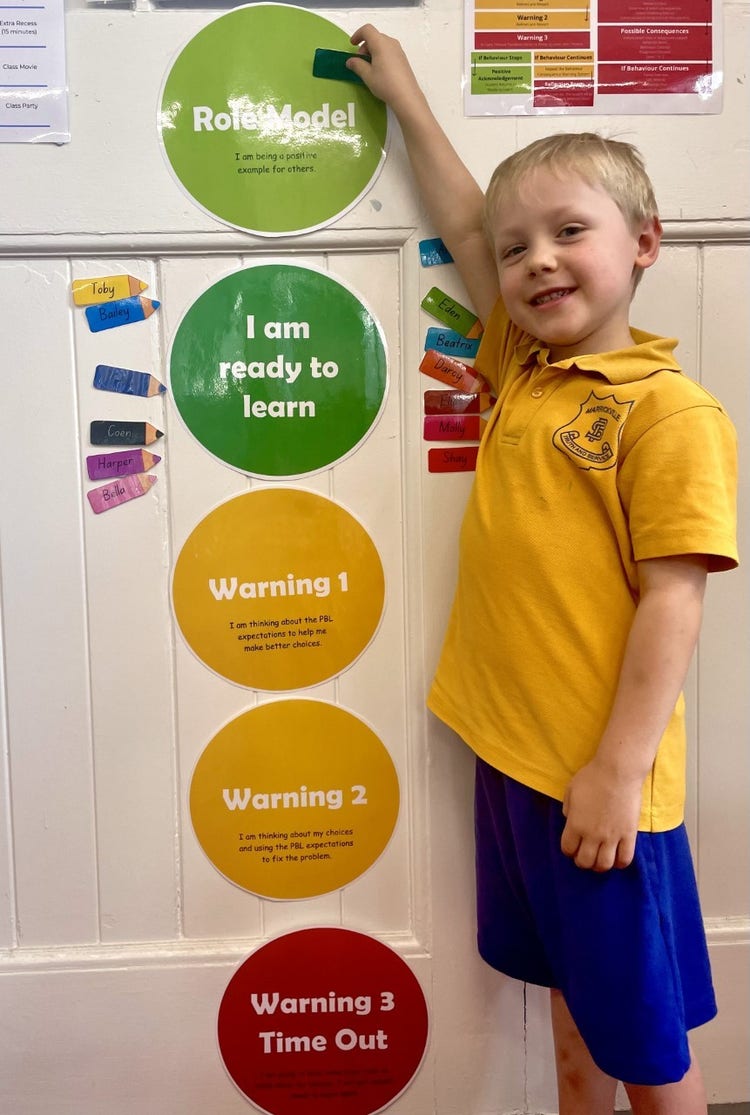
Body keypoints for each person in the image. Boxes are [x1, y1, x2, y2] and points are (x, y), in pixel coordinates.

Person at [347, 26, 739, 1115]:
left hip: (600, 780)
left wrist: (616, 770)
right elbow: (466, 221)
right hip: (514, 758)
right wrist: (406, 99)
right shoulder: (522, 364)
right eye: (519, 248)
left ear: (646, 242)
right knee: (576, 1010)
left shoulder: (669, 413)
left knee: (647, 1042)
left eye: (571, 231)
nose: (536, 261)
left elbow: (676, 600)